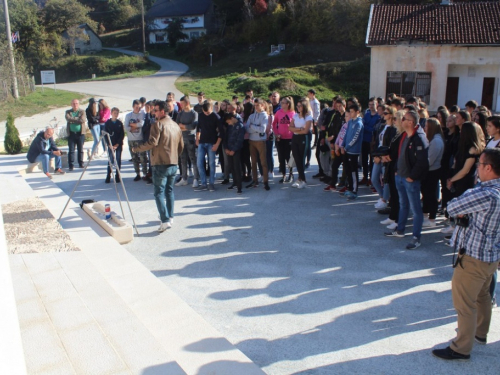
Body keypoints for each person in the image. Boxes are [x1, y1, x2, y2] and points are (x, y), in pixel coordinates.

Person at [432, 148, 500, 361]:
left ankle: (461, 347)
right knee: (482, 297)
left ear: (488, 168)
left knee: (464, 303)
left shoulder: (484, 193)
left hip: (473, 256)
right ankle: (479, 334)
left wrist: (462, 210)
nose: (477, 169)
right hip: (491, 256)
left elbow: (452, 207)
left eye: (479, 165)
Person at [132, 100, 184, 232]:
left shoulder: (158, 124)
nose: (153, 112)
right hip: (173, 162)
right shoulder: (176, 126)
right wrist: (174, 156)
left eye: (155, 110)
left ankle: (165, 220)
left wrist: (137, 149)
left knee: (159, 192)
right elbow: (181, 146)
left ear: (162, 111)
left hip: (160, 163)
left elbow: (152, 142)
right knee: (169, 191)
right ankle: (169, 216)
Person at [384, 110, 429, 250]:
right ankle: (400, 230)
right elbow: (400, 154)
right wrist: (398, 170)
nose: (400, 120)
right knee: (403, 204)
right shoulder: (405, 135)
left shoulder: (419, 138)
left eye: (403, 118)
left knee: (416, 210)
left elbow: (423, 162)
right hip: (401, 177)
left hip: (410, 180)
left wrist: (412, 177)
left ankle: (416, 237)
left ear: (410, 122)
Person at [421, 118, 444, 227]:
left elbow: (430, 159)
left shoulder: (436, 141)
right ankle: (425, 214)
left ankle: (432, 219)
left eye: (426, 126)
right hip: (427, 171)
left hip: (432, 172)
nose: (424, 128)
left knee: (431, 195)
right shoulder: (431, 138)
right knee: (426, 194)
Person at [195, 101, 222, 192]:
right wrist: (197, 138)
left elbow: (222, 133)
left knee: (211, 164)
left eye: (208, 112)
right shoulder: (201, 115)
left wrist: (217, 144)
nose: (206, 114)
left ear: (211, 109)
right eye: (205, 112)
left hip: (212, 143)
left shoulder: (216, 117)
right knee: (199, 163)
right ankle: (203, 183)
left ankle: (211, 183)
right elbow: (198, 127)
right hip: (202, 142)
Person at [341, 103, 364, 200]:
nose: (350, 114)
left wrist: (347, 147)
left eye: (352, 112)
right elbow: (346, 135)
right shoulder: (350, 122)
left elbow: (355, 137)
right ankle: (350, 188)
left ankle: (354, 190)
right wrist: (342, 145)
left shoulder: (359, 123)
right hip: (346, 150)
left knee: (354, 171)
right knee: (348, 170)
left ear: (357, 112)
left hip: (353, 152)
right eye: (349, 112)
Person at [176, 95, 200, 188]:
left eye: (182, 104)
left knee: (193, 159)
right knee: (183, 160)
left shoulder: (194, 113)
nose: (181, 105)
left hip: (190, 139)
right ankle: (184, 178)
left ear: (187, 103)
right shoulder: (180, 114)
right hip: (181, 139)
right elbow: (177, 125)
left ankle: (195, 179)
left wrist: (184, 126)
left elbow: (193, 126)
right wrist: (184, 127)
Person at [246, 98, 270, 190]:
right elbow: (247, 129)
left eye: (257, 105)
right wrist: (255, 127)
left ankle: (265, 181)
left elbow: (262, 129)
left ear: (262, 105)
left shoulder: (264, 116)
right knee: (253, 162)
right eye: (254, 105)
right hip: (252, 140)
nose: (256, 107)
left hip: (260, 141)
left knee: (263, 162)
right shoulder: (251, 116)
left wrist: (252, 126)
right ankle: (254, 180)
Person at [289, 98, 313, 189]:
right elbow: (290, 128)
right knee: (296, 157)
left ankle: (303, 180)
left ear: (304, 106)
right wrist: (299, 129)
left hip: (303, 138)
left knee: (301, 159)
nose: (298, 107)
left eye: (299, 106)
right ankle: (300, 178)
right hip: (295, 137)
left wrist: (297, 130)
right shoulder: (295, 115)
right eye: (297, 106)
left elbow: (306, 131)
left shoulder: (308, 117)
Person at [272, 96, 295, 183]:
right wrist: (276, 133)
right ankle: (284, 175)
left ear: (288, 104)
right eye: (281, 103)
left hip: (289, 138)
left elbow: (295, 125)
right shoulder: (278, 112)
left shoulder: (292, 113)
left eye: (283, 103)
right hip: (280, 138)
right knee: (281, 157)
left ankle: (291, 174)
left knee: (288, 157)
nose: (281, 104)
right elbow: (274, 124)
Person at [124, 99, 148, 181]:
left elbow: (141, 124)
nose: (138, 109)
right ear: (133, 107)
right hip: (131, 139)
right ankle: (137, 173)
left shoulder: (142, 114)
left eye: (139, 107)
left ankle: (145, 173)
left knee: (143, 157)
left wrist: (133, 125)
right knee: (134, 158)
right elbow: (126, 127)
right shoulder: (128, 116)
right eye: (136, 107)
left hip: (140, 139)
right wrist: (134, 127)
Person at [224, 113, 246, 194]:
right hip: (229, 150)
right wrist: (226, 148)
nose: (228, 123)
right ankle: (234, 182)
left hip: (236, 150)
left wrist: (233, 150)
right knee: (231, 167)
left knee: (237, 168)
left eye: (229, 121)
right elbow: (225, 138)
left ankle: (239, 187)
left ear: (232, 118)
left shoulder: (240, 126)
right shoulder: (230, 127)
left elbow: (239, 140)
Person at [361, 97, 381, 186]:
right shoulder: (367, 115)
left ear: (376, 104)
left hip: (372, 141)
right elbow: (362, 125)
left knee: (372, 160)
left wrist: (366, 127)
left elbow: (375, 129)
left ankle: (372, 178)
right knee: (364, 160)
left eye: (373, 104)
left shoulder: (379, 116)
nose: (371, 106)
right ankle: (365, 177)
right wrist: (368, 128)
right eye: (370, 104)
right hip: (364, 139)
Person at [65, 99, 88, 171]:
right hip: (71, 134)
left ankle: (81, 163)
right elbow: (68, 118)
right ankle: (71, 165)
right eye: (74, 103)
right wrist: (77, 119)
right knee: (71, 150)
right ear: (71, 104)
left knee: (80, 149)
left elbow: (83, 120)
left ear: (79, 104)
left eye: (76, 103)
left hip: (80, 134)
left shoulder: (82, 111)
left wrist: (73, 120)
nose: (75, 105)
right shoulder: (68, 112)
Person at [103, 107, 125, 183]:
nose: (116, 114)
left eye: (117, 113)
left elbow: (122, 135)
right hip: (110, 145)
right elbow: (105, 135)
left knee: (118, 160)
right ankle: (108, 175)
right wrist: (109, 144)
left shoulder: (119, 123)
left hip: (118, 145)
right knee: (110, 160)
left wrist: (117, 144)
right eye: (114, 113)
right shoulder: (107, 123)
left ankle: (117, 175)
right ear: (111, 113)